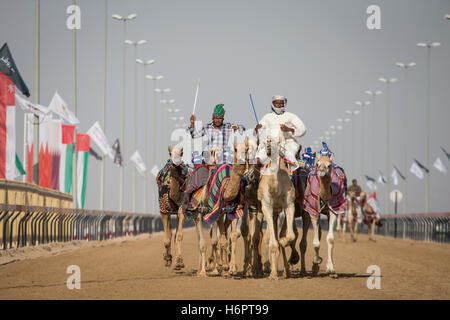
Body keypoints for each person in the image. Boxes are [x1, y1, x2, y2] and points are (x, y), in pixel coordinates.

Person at [255, 95, 307, 170]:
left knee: (290, 158)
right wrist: (257, 129)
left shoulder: (291, 116)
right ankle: (254, 180)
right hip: (270, 144)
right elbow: (259, 132)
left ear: (284, 104)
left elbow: (303, 129)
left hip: (287, 143)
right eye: (277, 103)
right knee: (258, 159)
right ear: (273, 104)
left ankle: (293, 178)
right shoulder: (267, 117)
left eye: (281, 103)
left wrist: (289, 129)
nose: (279, 105)